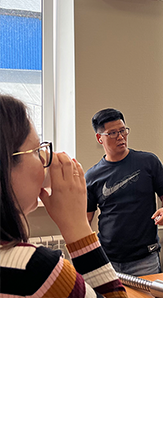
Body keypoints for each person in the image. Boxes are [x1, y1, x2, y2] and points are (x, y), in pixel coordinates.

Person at [0, 94, 127, 298]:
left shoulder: (147, 161)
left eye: (122, 131)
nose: (46, 160)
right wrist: (76, 226)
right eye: (36, 150)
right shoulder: (35, 270)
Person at [86, 108, 163, 276]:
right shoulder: (92, 176)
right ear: (100, 138)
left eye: (123, 130)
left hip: (145, 258)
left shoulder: (148, 161)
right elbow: (86, 218)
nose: (120, 137)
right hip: (108, 258)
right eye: (113, 133)